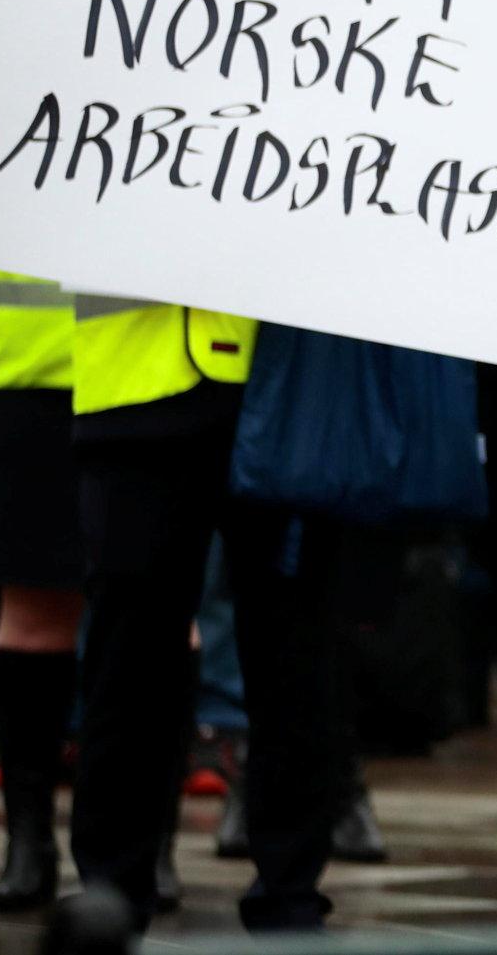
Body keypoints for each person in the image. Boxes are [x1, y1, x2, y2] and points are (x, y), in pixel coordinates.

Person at [65, 298, 348, 930]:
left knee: (296, 659)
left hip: (288, 384)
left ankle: (291, 894)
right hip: (138, 384)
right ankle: (113, 888)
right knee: (126, 660)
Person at [0, 271, 82, 912]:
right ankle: (30, 842)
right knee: (32, 613)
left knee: (159, 613)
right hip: (24, 368)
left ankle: (146, 848)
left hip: (163, 367)